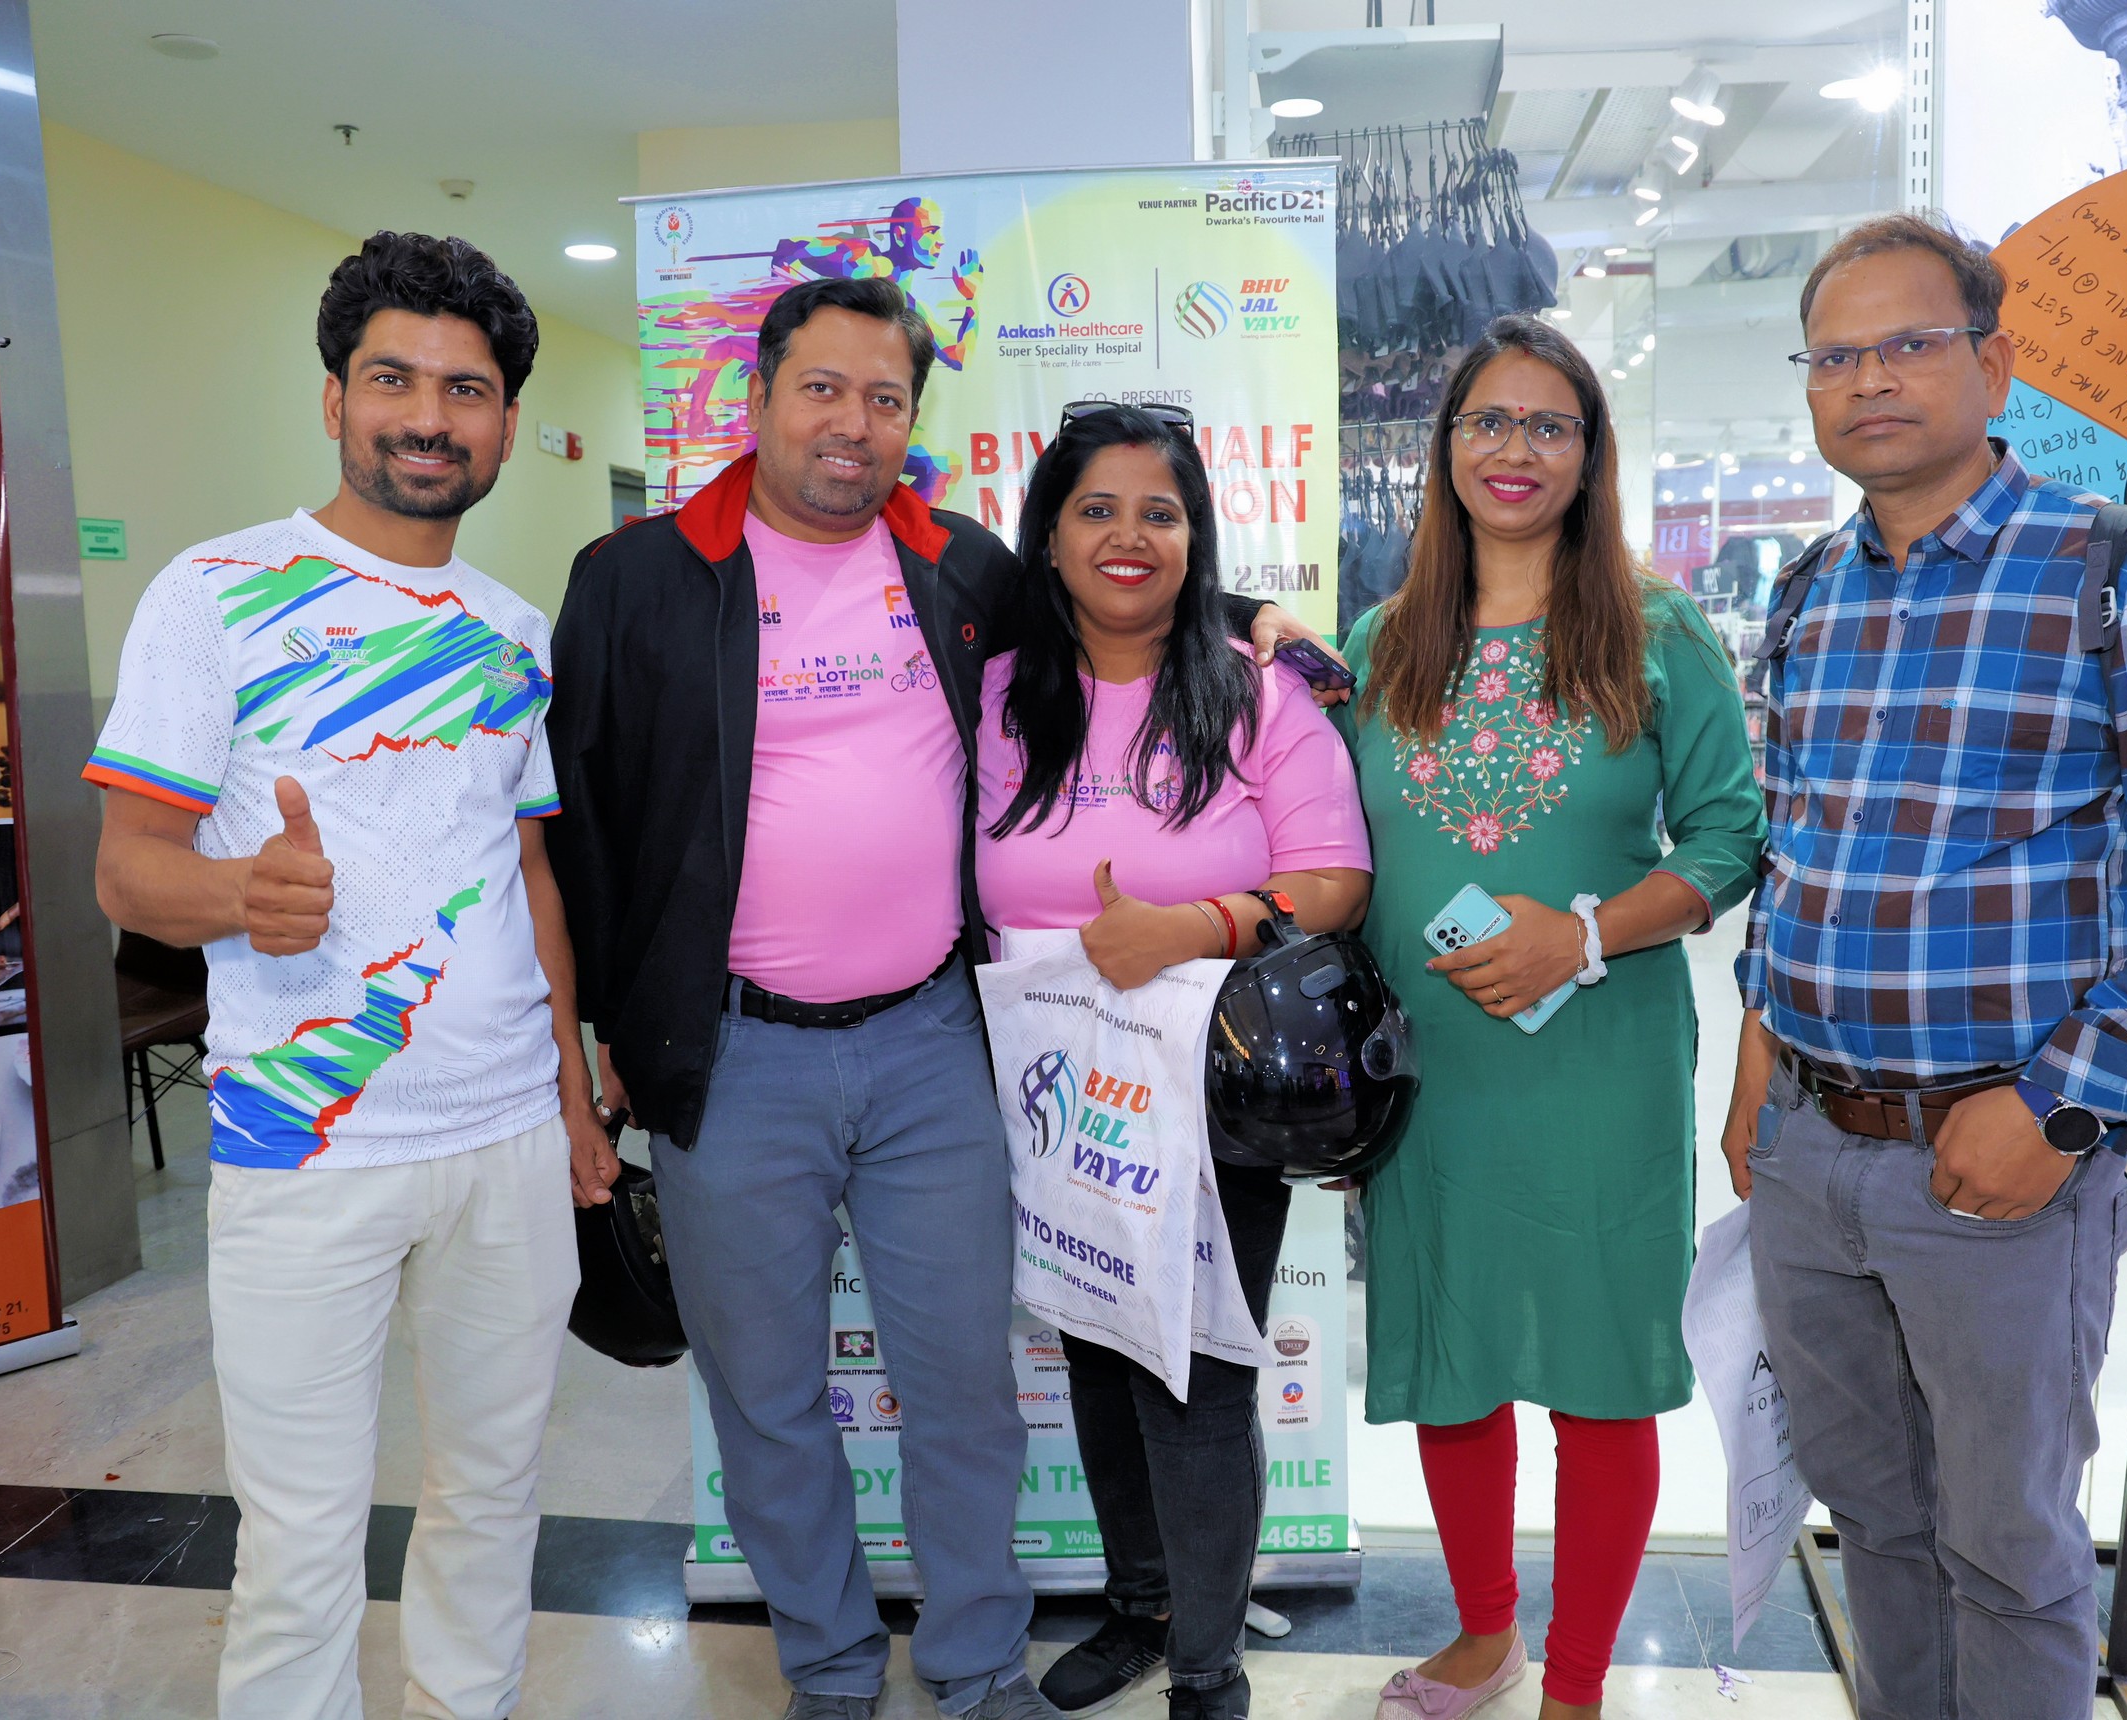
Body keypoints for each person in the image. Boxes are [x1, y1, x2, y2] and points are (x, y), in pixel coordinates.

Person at [544, 278, 1327, 1720]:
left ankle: (975, 1669)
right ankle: (833, 1668)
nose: (852, 423)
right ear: (758, 398)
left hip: (935, 1050)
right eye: (822, 389)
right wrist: (603, 1031)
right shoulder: (635, 577)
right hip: (729, 1053)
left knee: (964, 1392)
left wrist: (1252, 614)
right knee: (767, 1398)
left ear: (913, 419)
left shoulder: (958, 564)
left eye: (885, 398)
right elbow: (580, 815)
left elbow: (1115, 586)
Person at [1722, 214, 2127, 1720]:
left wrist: (2062, 1107)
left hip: (1999, 1163)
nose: (1868, 379)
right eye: (1833, 356)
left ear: (1993, 365)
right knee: (1875, 1526)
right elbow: (1798, 851)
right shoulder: (1809, 592)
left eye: (1907, 344)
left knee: (2009, 1551)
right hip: (1811, 1153)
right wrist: (1760, 1062)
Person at [85, 231, 620, 1720]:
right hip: (302, 1143)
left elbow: (528, 876)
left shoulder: (514, 632)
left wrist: (572, 1096)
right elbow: (126, 869)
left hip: (507, 1136)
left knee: (493, 1500)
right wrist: (238, 895)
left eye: (466, 390)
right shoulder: (215, 592)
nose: (428, 418)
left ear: (506, 424)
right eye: (394, 380)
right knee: (301, 1542)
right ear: (334, 399)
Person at [1338, 316, 1764, 1720]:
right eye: (1489, 421)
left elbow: (1730, 840)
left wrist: (1579, 934)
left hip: (1599, 1063)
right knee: (1450, 1362)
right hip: (1431, 1077)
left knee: (1601, 1375)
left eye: (1549, 424)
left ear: (1590, 454)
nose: (1515, 449)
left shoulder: (1659, 631)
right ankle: (1485, 1638)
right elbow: (1340, 853)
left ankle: (1575, 1682)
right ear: (1445, 448)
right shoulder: (1383, 644)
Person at [975, 403, 1374, 1720]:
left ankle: (1207, 1664)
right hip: (1049, 1091)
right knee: (1096, 1346)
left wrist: (1193, 926)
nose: (1128, 536)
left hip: (1213, 1095)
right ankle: (1141, 1605)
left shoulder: (1257, 691)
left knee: (1194, 1374)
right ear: (1049, 534)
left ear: (1197, 538)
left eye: (1160, 511)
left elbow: (1335, 880)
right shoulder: (997, 693)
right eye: (1096, 509)